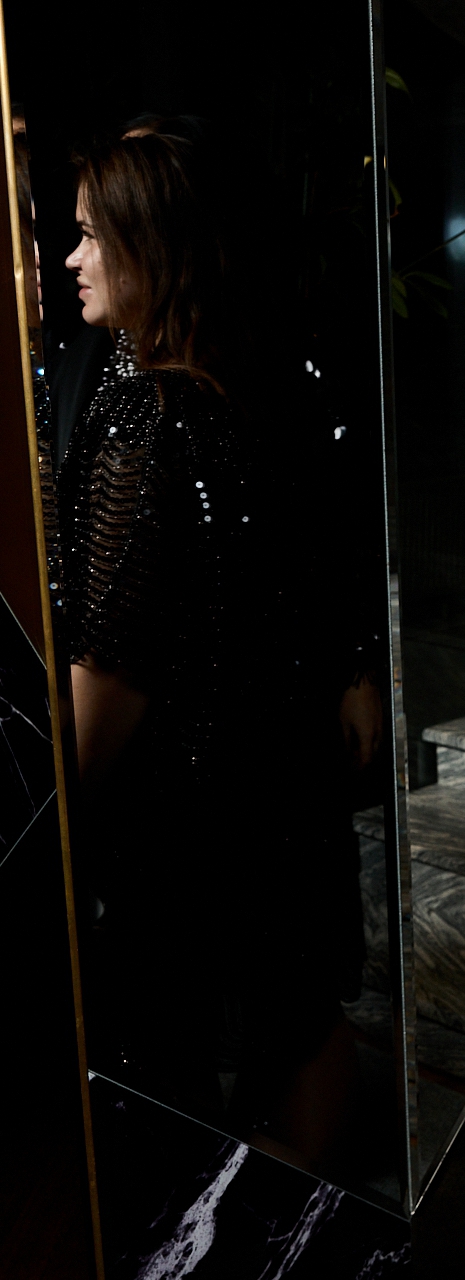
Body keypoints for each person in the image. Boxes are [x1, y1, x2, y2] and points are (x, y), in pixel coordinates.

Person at [53, 126, 373, 1171]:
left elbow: (111, 667)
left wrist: (53, 815)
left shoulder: (142, 415)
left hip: (181, 818)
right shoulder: (272, 391)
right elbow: (326, 574)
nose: (72, 258)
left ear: (150, 247)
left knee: (165, 1072)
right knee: (302, 1015)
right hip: (284, 791)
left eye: (91, 235)